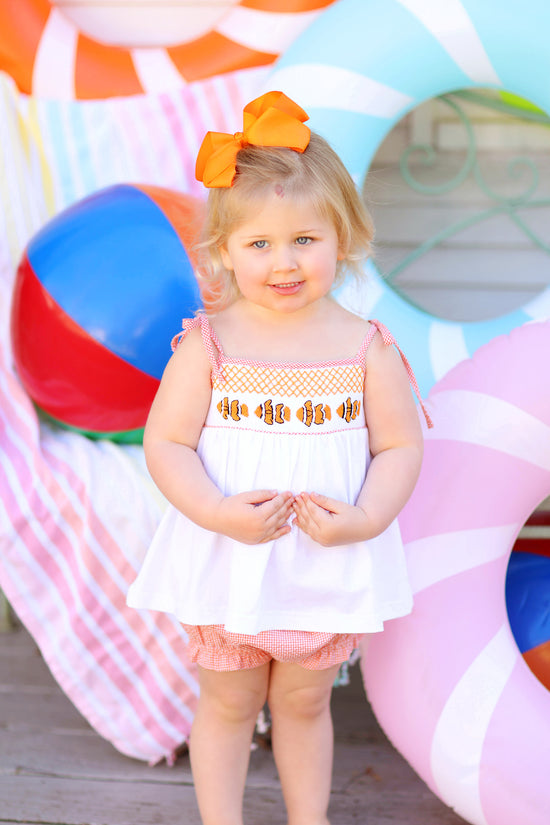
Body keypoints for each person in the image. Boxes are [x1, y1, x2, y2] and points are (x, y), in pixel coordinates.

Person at [127, 90, 431, 825]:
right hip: (230, 555)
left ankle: (308, 818)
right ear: (224, 251)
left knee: (303, 700)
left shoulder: (367, 348)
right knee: (229, 700)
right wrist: (214, 510)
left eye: (305, 239)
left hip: (321, 560)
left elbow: (399, 445)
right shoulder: (209, 343)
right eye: (259, 244)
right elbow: (165, 443)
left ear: (344, 238)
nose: (284, 262)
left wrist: (365, 518)